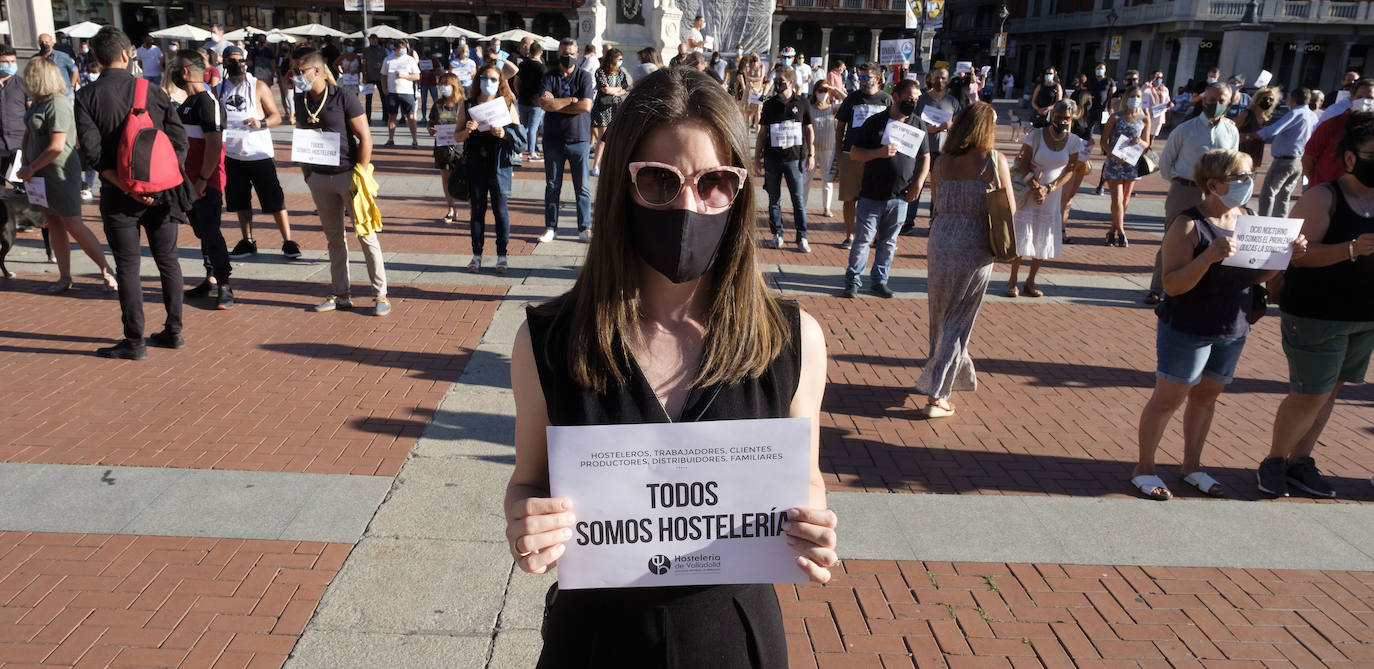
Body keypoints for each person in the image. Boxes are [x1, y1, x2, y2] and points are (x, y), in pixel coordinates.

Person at [504, 66, 836, 666]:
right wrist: (526, 524)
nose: (689, 204)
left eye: (714, 182)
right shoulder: (548, 344)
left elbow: (806, 478)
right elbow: (528, 480)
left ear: (740, 193)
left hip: (734, 639)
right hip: (597, 642)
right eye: (658, 181)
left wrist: (813, 527)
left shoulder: (793, 341)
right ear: (618, 187)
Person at [1134, 149, 1302, 500]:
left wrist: (1286, 258)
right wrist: (1209, 256)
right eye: (1240, 177)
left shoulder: (1249, 219)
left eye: (1250, 175)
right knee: (1168, 399)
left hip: (1233, 327)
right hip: (1187, 328)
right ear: (1213, 184)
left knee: (1206, 398)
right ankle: (1144, 468)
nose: (1249, 183)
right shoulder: (1188, 224)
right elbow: (1172, 284)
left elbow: (1257, 277)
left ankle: (1192, 466)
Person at [1260, 114, 1374, 498]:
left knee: (1330, 391)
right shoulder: (1323, 196)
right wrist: (1351, 250)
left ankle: (1299, 462)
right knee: (1310, 393)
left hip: (1363, 317)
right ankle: (1274, 461)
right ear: (1349, 158)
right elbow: (1298, 257)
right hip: (1316, 313)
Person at [75, 26, 192, 360]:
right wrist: (164, 179)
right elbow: (179, 140)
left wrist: (128, 187)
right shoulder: (150, 90)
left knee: (128, 266)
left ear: (96, 57)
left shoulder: (86, 97)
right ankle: (174, 330)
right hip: (162, 192)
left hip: (118, 193)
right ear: (128, 53)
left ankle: (135, 341)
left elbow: (92, 155)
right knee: (168, 260)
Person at [912, 102, 1014, 418]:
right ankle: (937, 393)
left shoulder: (942, 162)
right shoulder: (993, 161)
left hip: (941, 238)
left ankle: (943, 377)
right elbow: (1009, 206)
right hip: (975, 241)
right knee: (960, 319)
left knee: (940, 315)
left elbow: (936, 201)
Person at [292, 48, 389, 317]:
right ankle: (341, 293)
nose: (295, 78)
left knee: (366, 235)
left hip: (348, 173)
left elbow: (365, 136)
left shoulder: (343, 96)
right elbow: (301, 133)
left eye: (300, 72)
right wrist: (307, 174)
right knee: (334, 238)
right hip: (319, 178)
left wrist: (361, 171)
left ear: (317, 71)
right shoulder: (300, 99)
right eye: (293, 73)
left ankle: (380, 295)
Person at [16, 57, 117, 294]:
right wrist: (25, 161)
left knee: (73, 223)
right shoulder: (37, 104)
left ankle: (106, 270)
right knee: (53, 223)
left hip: (58, 172)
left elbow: (57, 145)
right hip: (39, 173)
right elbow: (29, 132)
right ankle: (64, 276)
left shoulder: (57, 104)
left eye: (29, 75)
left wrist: (31, 167)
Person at [1147, 83, 1239, 305]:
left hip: (1217, 194)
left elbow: (1233, 162)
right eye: (1211, 100)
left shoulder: (1231, 131)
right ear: (1203, 100)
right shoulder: (1185, 129)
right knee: (1173, 238)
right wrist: (1181, 183)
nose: (1215, 105)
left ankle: (1200, 285)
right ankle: (1159, 287)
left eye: (1221, 101)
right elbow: (1166, 163)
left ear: (1229, 103)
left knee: (1212, 240)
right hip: (1185, 189)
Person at [841, 79, 929, 298]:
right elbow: (855, 153)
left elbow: (925, 157)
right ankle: (853, 279)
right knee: (862, 240)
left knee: (889, 242)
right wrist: (878, 153)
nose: (913, 102)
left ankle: (880, 280)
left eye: (916, 99)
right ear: (896, 97)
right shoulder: (874, 122)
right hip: (872, 194)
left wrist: (918, 182)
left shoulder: (918, 124)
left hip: (900, 196)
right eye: (909, 98)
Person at [216, 46, 299, 261]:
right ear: (224, 63)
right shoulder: (219, 88)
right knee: (239, 201)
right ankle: (248, 240)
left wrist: (260, 122)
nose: (236, 64)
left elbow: (276, 117)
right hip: (232, 154)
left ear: (246, 62)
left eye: (240, 60)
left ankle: (288, 241)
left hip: (259, 154)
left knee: (274, 200)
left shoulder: (258, 86)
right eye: (231, 60)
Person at [171, 50, 234, 310]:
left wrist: (201, 181)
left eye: (174, 67)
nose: (171, 71)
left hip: (207, 182)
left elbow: (214, 146)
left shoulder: (209, 102)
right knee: (201, 232)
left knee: (210, 231)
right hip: (188, 182)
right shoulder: (186, 103)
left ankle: (224, 284)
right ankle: (209, 277)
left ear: (184, 72)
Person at [1008, 99, 1082, 297]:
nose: (1062, 122)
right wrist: (1035, 187)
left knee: (1043, 235)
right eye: (1058, 117)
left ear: (1072, 119)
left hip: (1052, 194)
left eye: (1066, 118)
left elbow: (1071, 170)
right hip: (1029, 190)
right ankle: (1012, 280)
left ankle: (1030, 281)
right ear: (1052, 116)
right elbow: (1022, 164)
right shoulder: (1036, 135)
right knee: (1023, 234)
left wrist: (1049, 189)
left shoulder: (1074, 141)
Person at [457, 63, 519, 274]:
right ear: (478, 80)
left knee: (501, 212)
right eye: (485, 78)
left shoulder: (507, 103)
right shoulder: (468, 105)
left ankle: (502, 255)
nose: (489, 82)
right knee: (477, 211)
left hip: (499, 165)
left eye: (493, 79)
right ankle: (476, 255)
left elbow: (521, 139)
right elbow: (456, 136)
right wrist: (466, 131)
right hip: (476, 164)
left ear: (500, 82)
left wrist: (503, 134)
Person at [537, 38, 595, 244]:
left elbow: (586, 106)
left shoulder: (584, 76)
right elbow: (544, 103)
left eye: (570, 53)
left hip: (578, 138)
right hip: (553, 139)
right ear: (557, 54)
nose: (567, 56)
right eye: (563, 53)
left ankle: (584, 228)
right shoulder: (549, 76)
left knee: (583, 187)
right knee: (552, 185)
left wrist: (557, 104)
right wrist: (571, 101)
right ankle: (551, 227)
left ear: (577, 55)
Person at [833, 63, 892, 249]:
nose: (863, 81)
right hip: (851, 154)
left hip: (877, 157)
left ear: (877, 78)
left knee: (876, 198)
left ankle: (875, 236)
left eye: (867, 77)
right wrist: (838, 151)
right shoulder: (852, 99)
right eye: (861, 77)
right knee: (849, 198)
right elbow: (840, 126)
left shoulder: (886, 100)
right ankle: (849, 236)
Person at [756, 65, 814, 252]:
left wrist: (811, 153)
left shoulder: (802, 103)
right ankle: (777, 234)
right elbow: (762, 132)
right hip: (772, 158)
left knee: (797, 199)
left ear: (790, 82)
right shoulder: (770, 104)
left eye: (780, 81)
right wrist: (757, 157)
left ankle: (802, 237)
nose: (777, 85)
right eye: (775, 81)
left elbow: (809, 129)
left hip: (794, 158)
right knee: (774, 200)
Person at [903, 66, 962, 233]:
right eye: (937, 77)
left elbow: (959, 126)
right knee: (916, 184)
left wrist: (951, 126)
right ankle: (908, 222)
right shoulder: (921, 100)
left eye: (943, 78)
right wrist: (932, 129)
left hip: (943, 152)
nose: (940, 81)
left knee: (938, 189)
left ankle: (934, 222)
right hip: (921, 150)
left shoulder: (953, 102)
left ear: (948, 81)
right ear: (931, 78)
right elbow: (911, 122)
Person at [1251, 88, 1318, 218]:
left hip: (1285, 160)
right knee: (1284, 194)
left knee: (1268, 192)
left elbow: (1274, 129)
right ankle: (1280, 222)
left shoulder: (1296, 113)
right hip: (1299, 160)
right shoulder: (1313, 116)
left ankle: (1263, 220)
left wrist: (1254, 135)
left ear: (1292, 99)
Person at [1100, 85, 1153, 248]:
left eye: (1138, 96)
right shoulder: (1116, 117)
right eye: (1132, 96)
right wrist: (1113, 154)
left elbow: (1147, 143)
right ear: (1126, 98)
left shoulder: (1144, 118)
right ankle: (1121, 231)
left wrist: (1140, 142)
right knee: (1117, 198)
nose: (1135, 99)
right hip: (1115, 163)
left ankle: (1111, 230)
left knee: (1125, 199)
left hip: (1132, 162)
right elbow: (1103, 141)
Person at [1303, 79, 1374, 189]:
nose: (1365, 101)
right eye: (1360, 97)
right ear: (1352, 98)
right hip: (1328, 192)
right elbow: (1308, 158)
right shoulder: (1333, 124)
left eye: (1370, 98)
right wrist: (1318, 184)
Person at [429, 72, 465, 225]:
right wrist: (431, 129)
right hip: (443, 147)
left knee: (466, 178)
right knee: (446, 178)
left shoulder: (463, 104)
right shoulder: (438, 105)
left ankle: (473, 208)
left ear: (454, 85)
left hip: (461, 147)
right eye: (441, 83)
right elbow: (431, 122)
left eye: (446, 83)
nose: (443, 86)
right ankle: (451, 208)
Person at [590, 49, 630, 177]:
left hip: (616, 107)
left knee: (613, 138)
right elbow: (605, 89)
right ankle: (596, 166)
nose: (620, 62)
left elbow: (625, 88)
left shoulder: (621, 73)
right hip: (603, 107)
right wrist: (617, 90)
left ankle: (608, 165)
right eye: (618, 59)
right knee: (603, 138)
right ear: (612, 59)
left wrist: (615, 90)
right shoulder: (600, 71)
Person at [805, 80, 838, 219]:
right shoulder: (809, 107)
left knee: (827, 180)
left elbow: (849, 101)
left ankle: (827, 207)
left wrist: (834, 88)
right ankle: (802, 206)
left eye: (825, 91)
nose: (823, 93)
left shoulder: (833, 108)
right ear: (815, 92)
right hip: (810, 149)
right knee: (806, 179)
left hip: (828, 149)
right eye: (820, 90)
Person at [383, 41, 420, 148]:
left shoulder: (410, 60)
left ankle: (414, 140)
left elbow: (417, 76)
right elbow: (383, 75)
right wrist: (384, 88)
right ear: (395, 48)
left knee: (410, 117)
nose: (401, 50)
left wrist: (404, 76)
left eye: (403, 48)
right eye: (399, 48)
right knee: (392, 116)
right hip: (392, 92)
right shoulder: (388, 59)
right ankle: (390, 139)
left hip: (407, 92)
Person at [0, 46, 26, 194]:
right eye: (5, 62)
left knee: (23, 185)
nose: (10, 65)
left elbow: (31, 111)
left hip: (19, 143)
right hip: (0, 143)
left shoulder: (22, 84)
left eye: (12, 61)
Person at [515, 42, 546, 162]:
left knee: (523, 126)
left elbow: (516, 81)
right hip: (535, 101)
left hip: (523, 99)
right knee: (533, 128)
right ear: (541, 52)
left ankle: (519, 149)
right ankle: (531, 152)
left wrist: (519, 93)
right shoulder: (541, 67)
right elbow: (544, 86)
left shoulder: (522, 64)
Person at [1234, 86, 1277, 169]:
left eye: (1271, 100)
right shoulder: (1247, 114)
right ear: (1257, 100)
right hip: (1241, 153)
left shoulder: (1267, 120)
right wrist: (1246, 136)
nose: (1267, 101)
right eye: (1265, 98)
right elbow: (1232, 131)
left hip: (1255, 155)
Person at [38, 34, 80, 98]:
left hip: (64, 95)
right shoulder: (35, 58)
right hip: (44, 95)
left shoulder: (62, 56)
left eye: (46, 42)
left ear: (52, 43)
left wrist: (71, 86)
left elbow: (74, 70)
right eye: (42, 42)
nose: (44, 44)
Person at [362, 34, 387, 123]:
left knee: (384, 98)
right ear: (369, 40)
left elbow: (386, 61)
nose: (373, 41)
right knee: (368, 99)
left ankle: (385, 117)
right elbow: (364, 63)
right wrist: (364, 75)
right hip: (369, 76)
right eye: (371, 39)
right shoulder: (366, 50)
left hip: (380, 77)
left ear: (377, 39)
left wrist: (381, 65)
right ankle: (368, 118)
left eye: (374, 39)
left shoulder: (382, 50)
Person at [417, 46, 442, 120]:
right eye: (425, 50)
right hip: (423, 83)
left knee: (436, 101)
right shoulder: (421, 61)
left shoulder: (434, 60)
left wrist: (431, 72)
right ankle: (424, 117)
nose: (426, 52)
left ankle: (438, 116)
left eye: (427, 50)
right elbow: (418, 72)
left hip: (432, 83)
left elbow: (439, 72)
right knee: (423, 102)